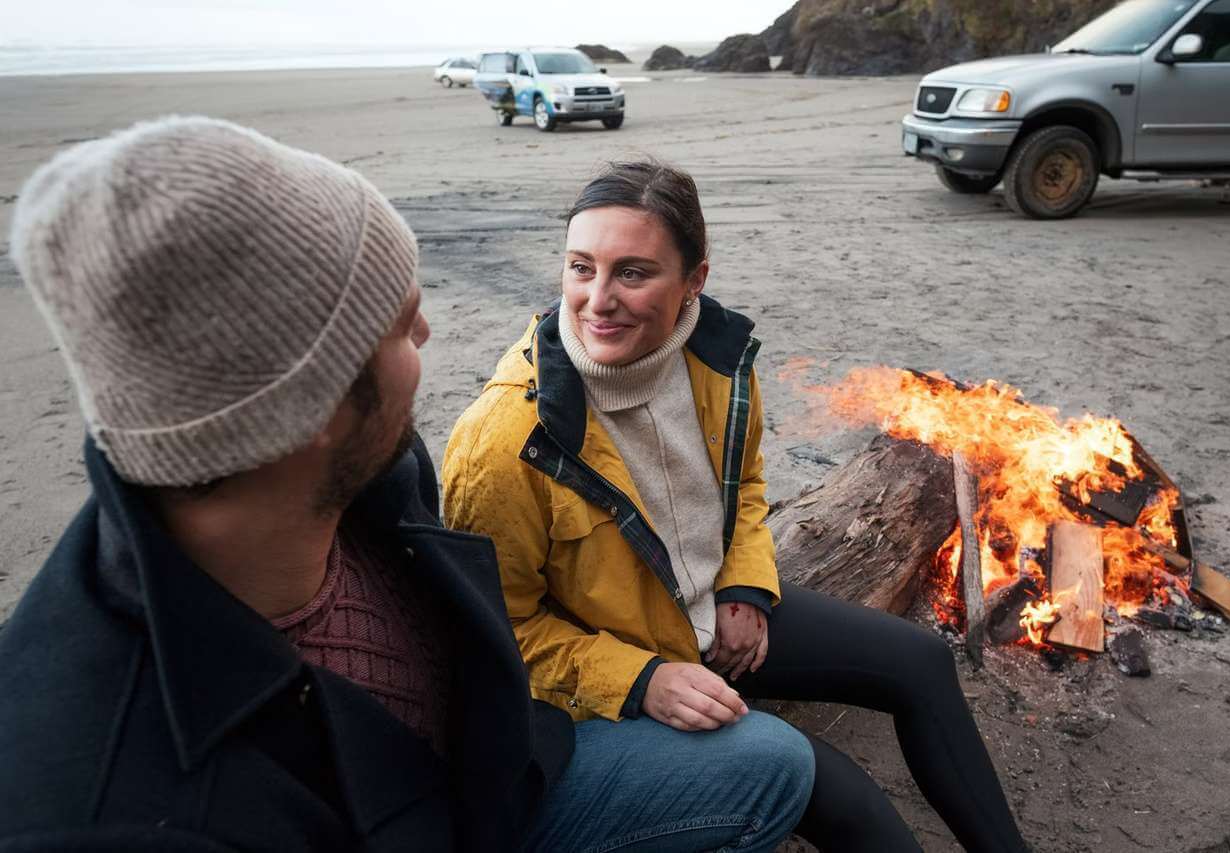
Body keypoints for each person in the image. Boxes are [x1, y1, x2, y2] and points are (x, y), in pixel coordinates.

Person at [0, 120, 813, 851]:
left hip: (508, 764)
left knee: (774, 762)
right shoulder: (122, 804)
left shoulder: (380, 476)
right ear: (312, 402)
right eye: (398, 324)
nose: (426, 334)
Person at [443, 159, 1031, 853]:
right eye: (580, 268)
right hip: (607, 669)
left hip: (703, 613)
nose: (596, 299)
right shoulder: (509, 441)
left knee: (922, 662)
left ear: (695, 280)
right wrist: (641, 680)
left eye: (633, 272)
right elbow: (490, 638)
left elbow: (744, 483)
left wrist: (744, 581)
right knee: (828, 780)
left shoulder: (714, 358)